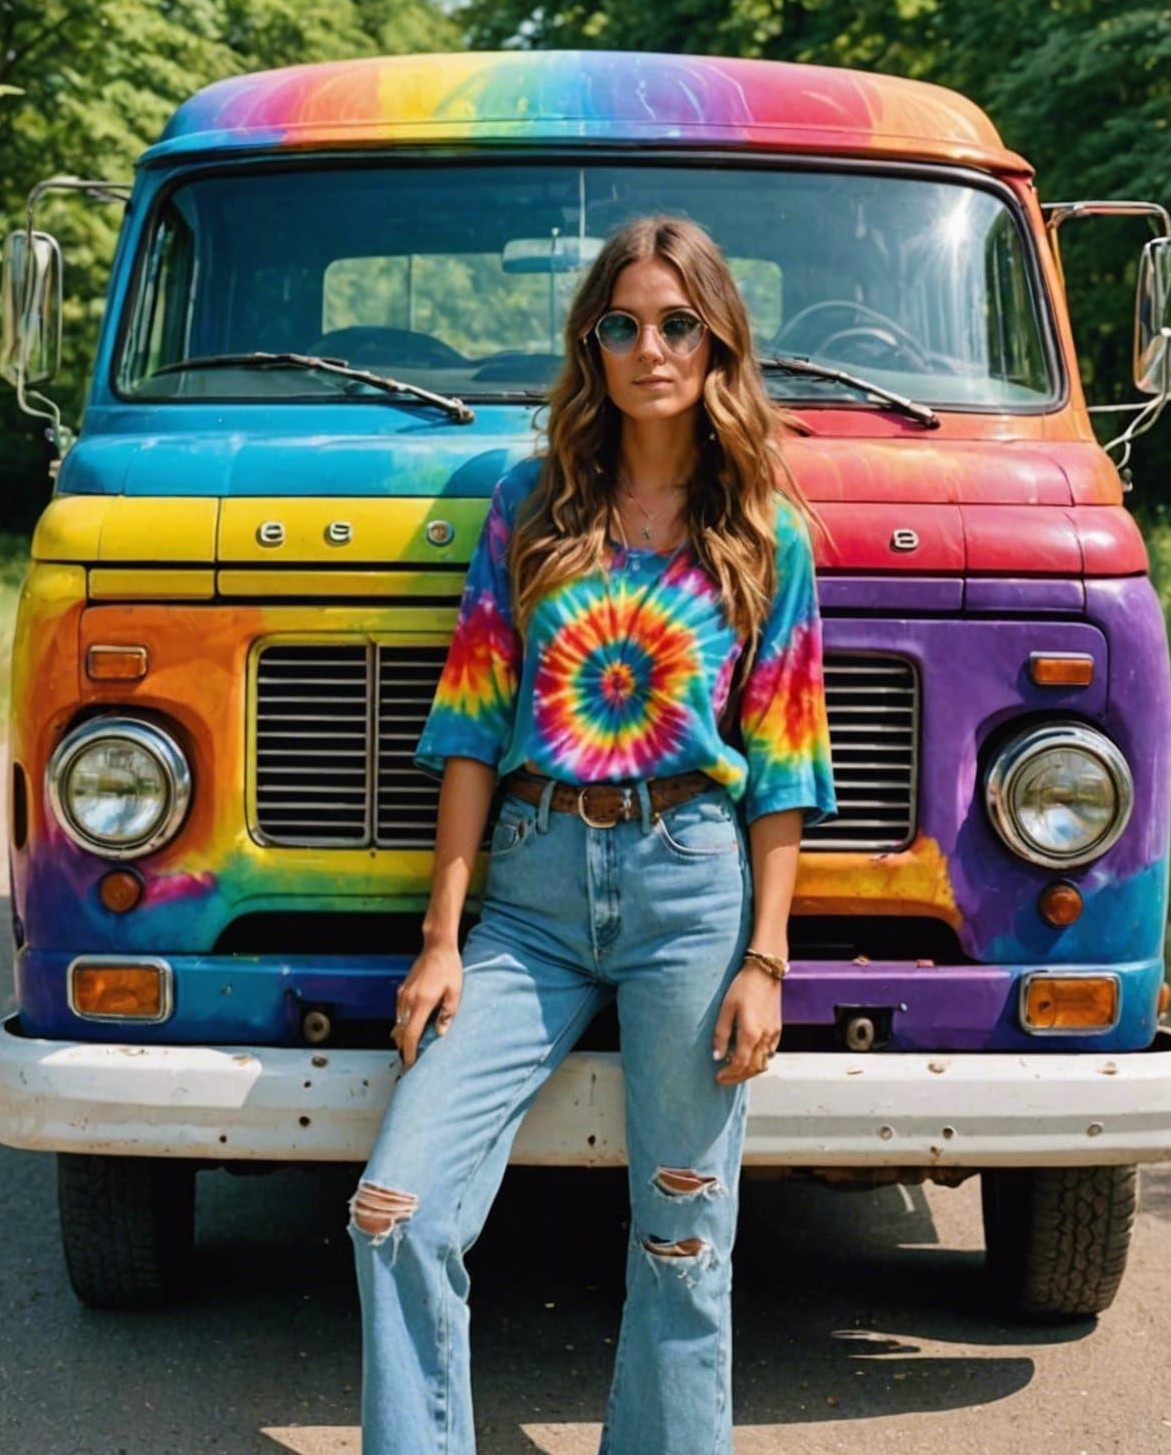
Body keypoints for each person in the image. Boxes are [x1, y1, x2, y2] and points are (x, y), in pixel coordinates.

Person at [348, 215, 837, 1455]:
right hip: (531, 897)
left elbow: (785, 762)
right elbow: (472, 724)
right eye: (622, 324)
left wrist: (767, 961)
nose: (650, 348)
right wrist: (441, 938)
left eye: (677, 324)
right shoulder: (531, 505)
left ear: (717, 343)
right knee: (395, 1208)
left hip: (692, 891)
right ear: (592, 346)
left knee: (684, 1236)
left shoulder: (764, 532)